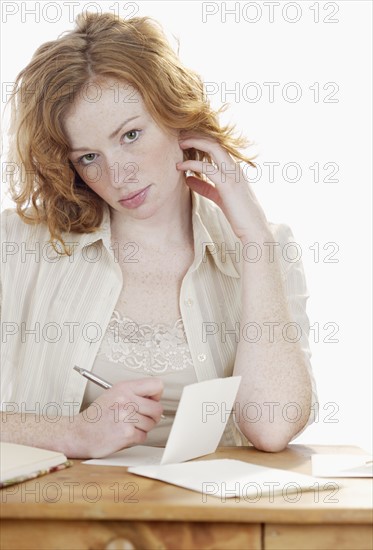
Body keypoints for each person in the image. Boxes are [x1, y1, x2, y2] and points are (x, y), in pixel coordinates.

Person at [1, 12, 317, 458]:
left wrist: (256, 244)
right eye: (89, 156)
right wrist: (73, 434)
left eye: (131, 134)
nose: (117, 174)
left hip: (213, 522)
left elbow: (272, 427)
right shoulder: (18, 244)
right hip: (62, 519)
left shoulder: (266, 247)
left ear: (177, 116)